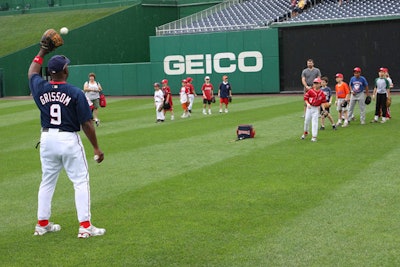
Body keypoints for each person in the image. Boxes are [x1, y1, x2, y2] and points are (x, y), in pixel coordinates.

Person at [28, 42, 105, 238]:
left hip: (47, 138)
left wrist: (42, 51)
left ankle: (42, 224)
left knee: (47, 181)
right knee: (80, 181)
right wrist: (96, 148)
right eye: (67, 65)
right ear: (65, 71)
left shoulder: (41, 88)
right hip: (68, 139)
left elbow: (31, 73)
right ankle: (85, 226)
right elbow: (87, 123)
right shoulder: (75, 92)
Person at [301, 77, 327, 142]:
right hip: (309, 108)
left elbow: (322, 103)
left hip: (316, 109)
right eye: (314, 83)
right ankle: (306, 132)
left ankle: (314, 137)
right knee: (306, 121)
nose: (315, 84)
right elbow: (305, 98)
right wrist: (308, 104)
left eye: (317, 83)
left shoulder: (322, 94)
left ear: (320, 84)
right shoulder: (310, 91)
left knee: (314, 122)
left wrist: (324, 110)